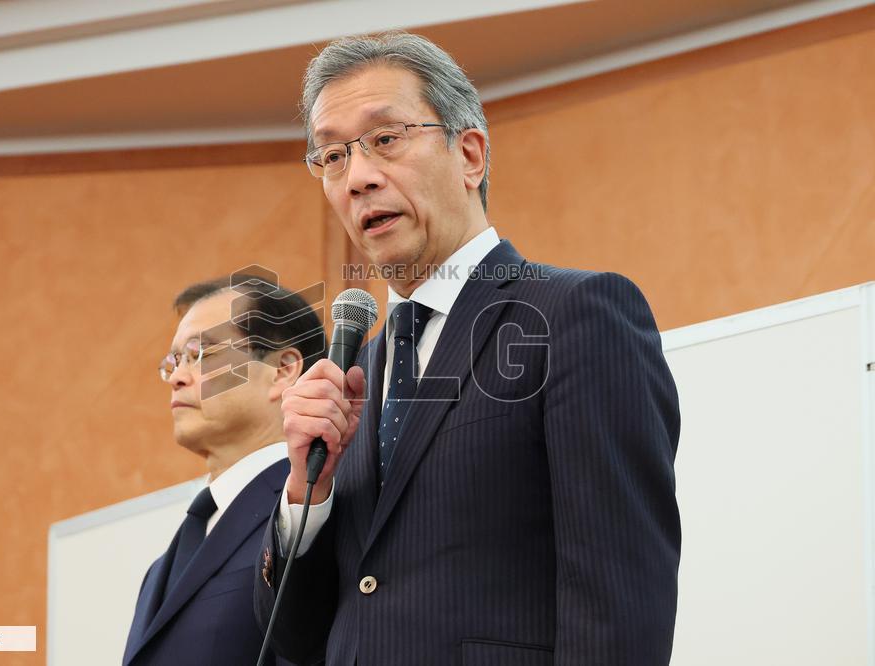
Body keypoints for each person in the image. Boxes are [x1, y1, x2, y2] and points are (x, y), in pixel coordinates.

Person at [254, 32, 682, 666]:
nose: (359, 178)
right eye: (332, 157)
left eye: (386, 139)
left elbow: (618, 598)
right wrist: (305, 492)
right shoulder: (358, 375)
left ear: (470, 154)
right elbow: (295, 640)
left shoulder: (575, 314)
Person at [124, 274, 324, 666]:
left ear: (283, 370)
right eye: (173, 361)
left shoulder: (313, 512)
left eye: (202, 354)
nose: (178, 377)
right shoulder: (159, 570)